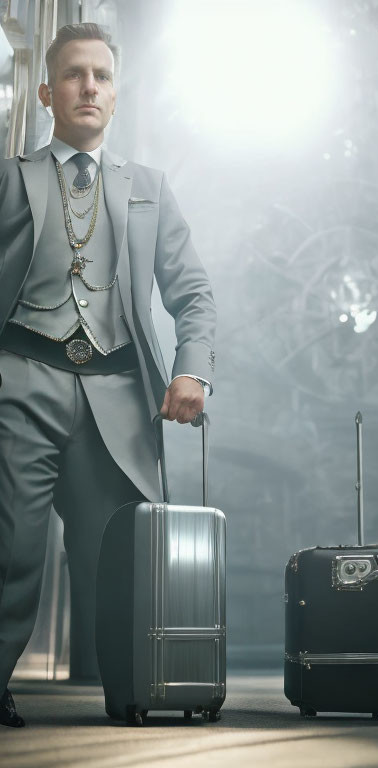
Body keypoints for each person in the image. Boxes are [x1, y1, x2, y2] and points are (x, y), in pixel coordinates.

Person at [0, 23, 216, 727]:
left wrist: (193, 372)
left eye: (100, 75)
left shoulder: (149, 188)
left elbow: (193, 293)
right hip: (21, 381)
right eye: (73, 75)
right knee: (11, 548)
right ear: (46, 92)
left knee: (122, 562)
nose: (88, 86)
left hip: (120, 399)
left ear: (115, 95)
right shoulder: (9, 179)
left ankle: (136, 691)